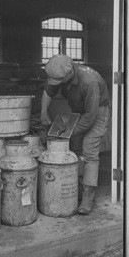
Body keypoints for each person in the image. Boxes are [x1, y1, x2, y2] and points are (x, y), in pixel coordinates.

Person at [40, 54, 110, 215]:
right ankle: (77, 184)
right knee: (74, 146)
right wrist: (44, 111)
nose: (56, 85)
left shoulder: (89, 81)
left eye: (59, 82)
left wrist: (70, 133)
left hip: (98, 112)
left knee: (89, 148)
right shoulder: (60, 74)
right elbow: (49, 92)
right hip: (79, 109)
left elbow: (90, 117)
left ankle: (88, 196)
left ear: (70, 71)